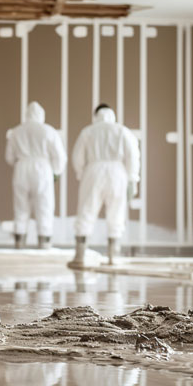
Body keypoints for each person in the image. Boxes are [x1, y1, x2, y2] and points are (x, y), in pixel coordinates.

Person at [70, 104, 140, 267]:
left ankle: (80, 256)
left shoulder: (88, 132)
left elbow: (77, 156)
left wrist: (81, 173)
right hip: (118, 172)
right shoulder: (122, 131)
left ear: (96, 115)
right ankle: (113, 256)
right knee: (116, 213)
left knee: (86, 211)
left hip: (93, 171)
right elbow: (133, 156)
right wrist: (132, 179)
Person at [4, 100, 66, 249]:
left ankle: (19, 244)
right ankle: (44, 246)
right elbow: (60, 156)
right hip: (42, 169)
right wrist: (56, 172)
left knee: (20, 207)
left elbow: (9, 157)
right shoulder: (48, 130)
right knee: (44, 206)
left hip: (21, 168)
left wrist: (19, 163)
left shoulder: (16, 131)